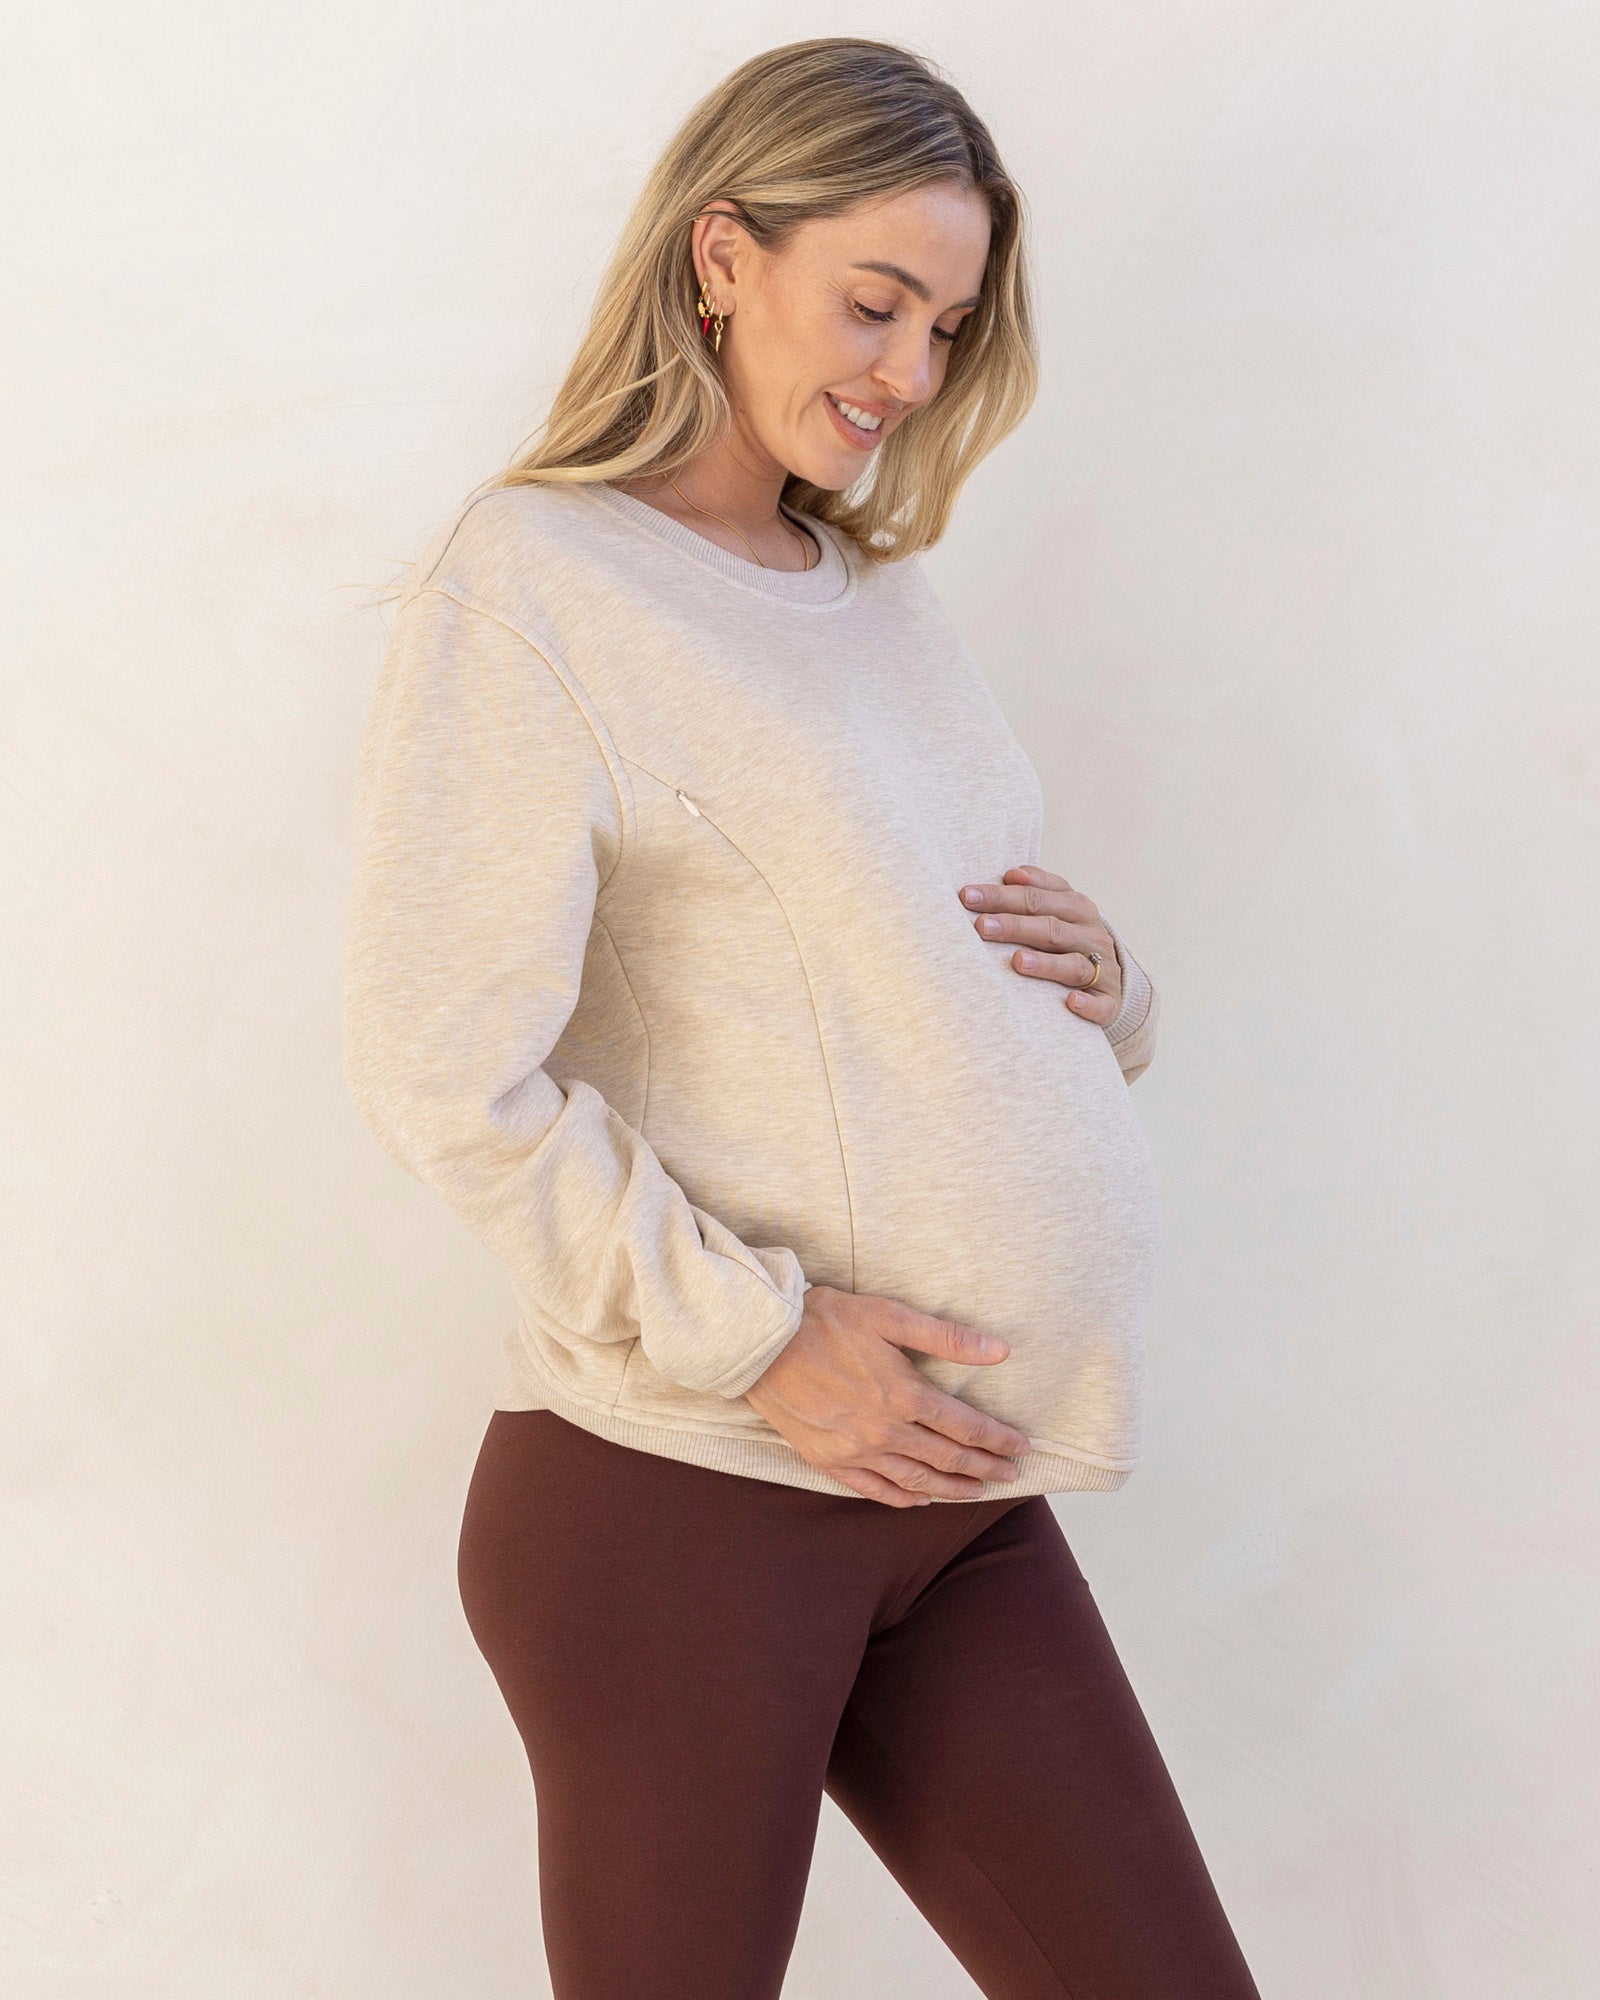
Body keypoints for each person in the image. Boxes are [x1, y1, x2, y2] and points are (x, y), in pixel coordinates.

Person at [342, 35, 1262, 2000]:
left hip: (951, 1497)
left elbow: (887, 967)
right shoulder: (543, 583)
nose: (910, 372)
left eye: (945, 321)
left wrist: (1110, 993)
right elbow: (445, 1068)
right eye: (874, 302)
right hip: (693, 1503)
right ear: (717, 257)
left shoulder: (859, 582)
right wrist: (766, 1338)